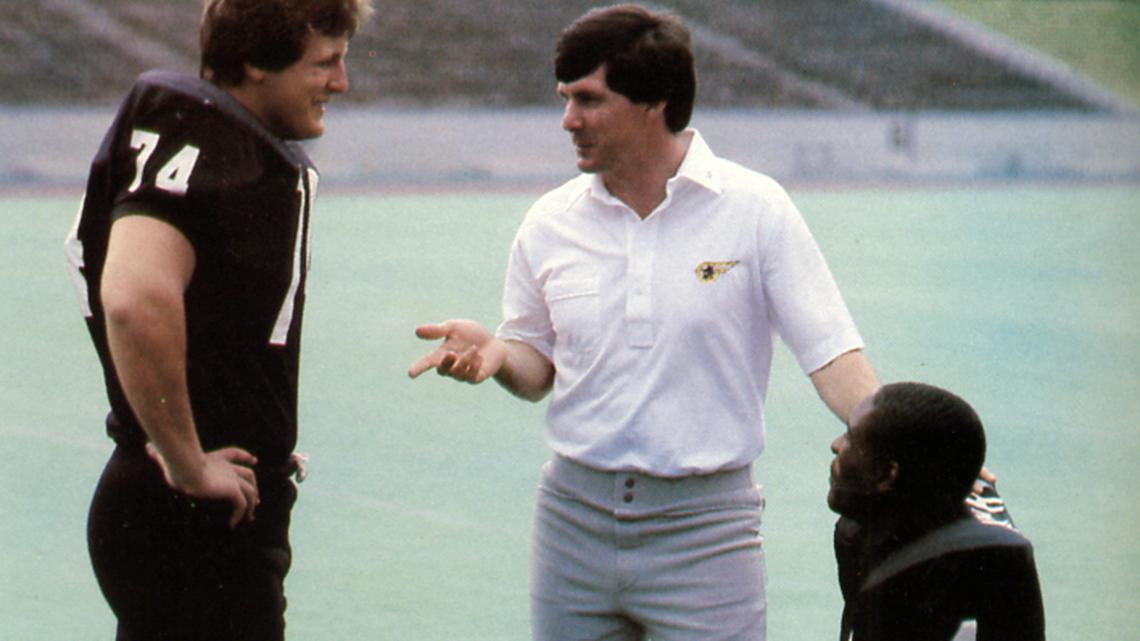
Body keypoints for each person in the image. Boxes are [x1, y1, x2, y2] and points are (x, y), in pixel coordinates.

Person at [408, 5, 879, 639]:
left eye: (588, 99)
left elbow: (832, 352)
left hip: (707, 536)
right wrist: (497, 353)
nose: (568, 120)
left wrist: (906, 441)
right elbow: (535, 365)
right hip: (571, 527)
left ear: (654, 101)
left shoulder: (756, 208)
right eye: (565, 99)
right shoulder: (549, 222)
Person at [63, 1, 372, 639]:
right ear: (256, 62)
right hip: (191, 516)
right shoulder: (202, 137)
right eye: (325, 63)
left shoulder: (221, 143)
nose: (341, 83)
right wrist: (186, 460)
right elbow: (135, 299)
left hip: (178, 506)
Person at [828, 382, 1045, 640]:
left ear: (886, 475)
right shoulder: (856, 530)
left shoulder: (996, 559)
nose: (835, 445)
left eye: (850, 438)